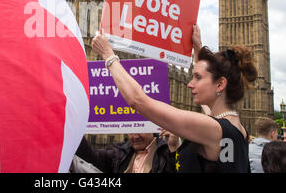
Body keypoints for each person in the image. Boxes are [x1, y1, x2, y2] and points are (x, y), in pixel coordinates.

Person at [91, 25, 257, 172]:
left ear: (220, 85)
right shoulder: (234, 127)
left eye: (198, 78)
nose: (190, 84)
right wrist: (198, 48)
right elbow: (210, 111)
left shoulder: (213, 129)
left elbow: (139, 101)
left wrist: (109, 56)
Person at [73, 132, 179, 173]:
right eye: (132, 132)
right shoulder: (120, 152)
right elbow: (92, 156)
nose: (135, 136)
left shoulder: (166, 152)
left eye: (140, 131)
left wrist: (174, 148)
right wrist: (74, 131)